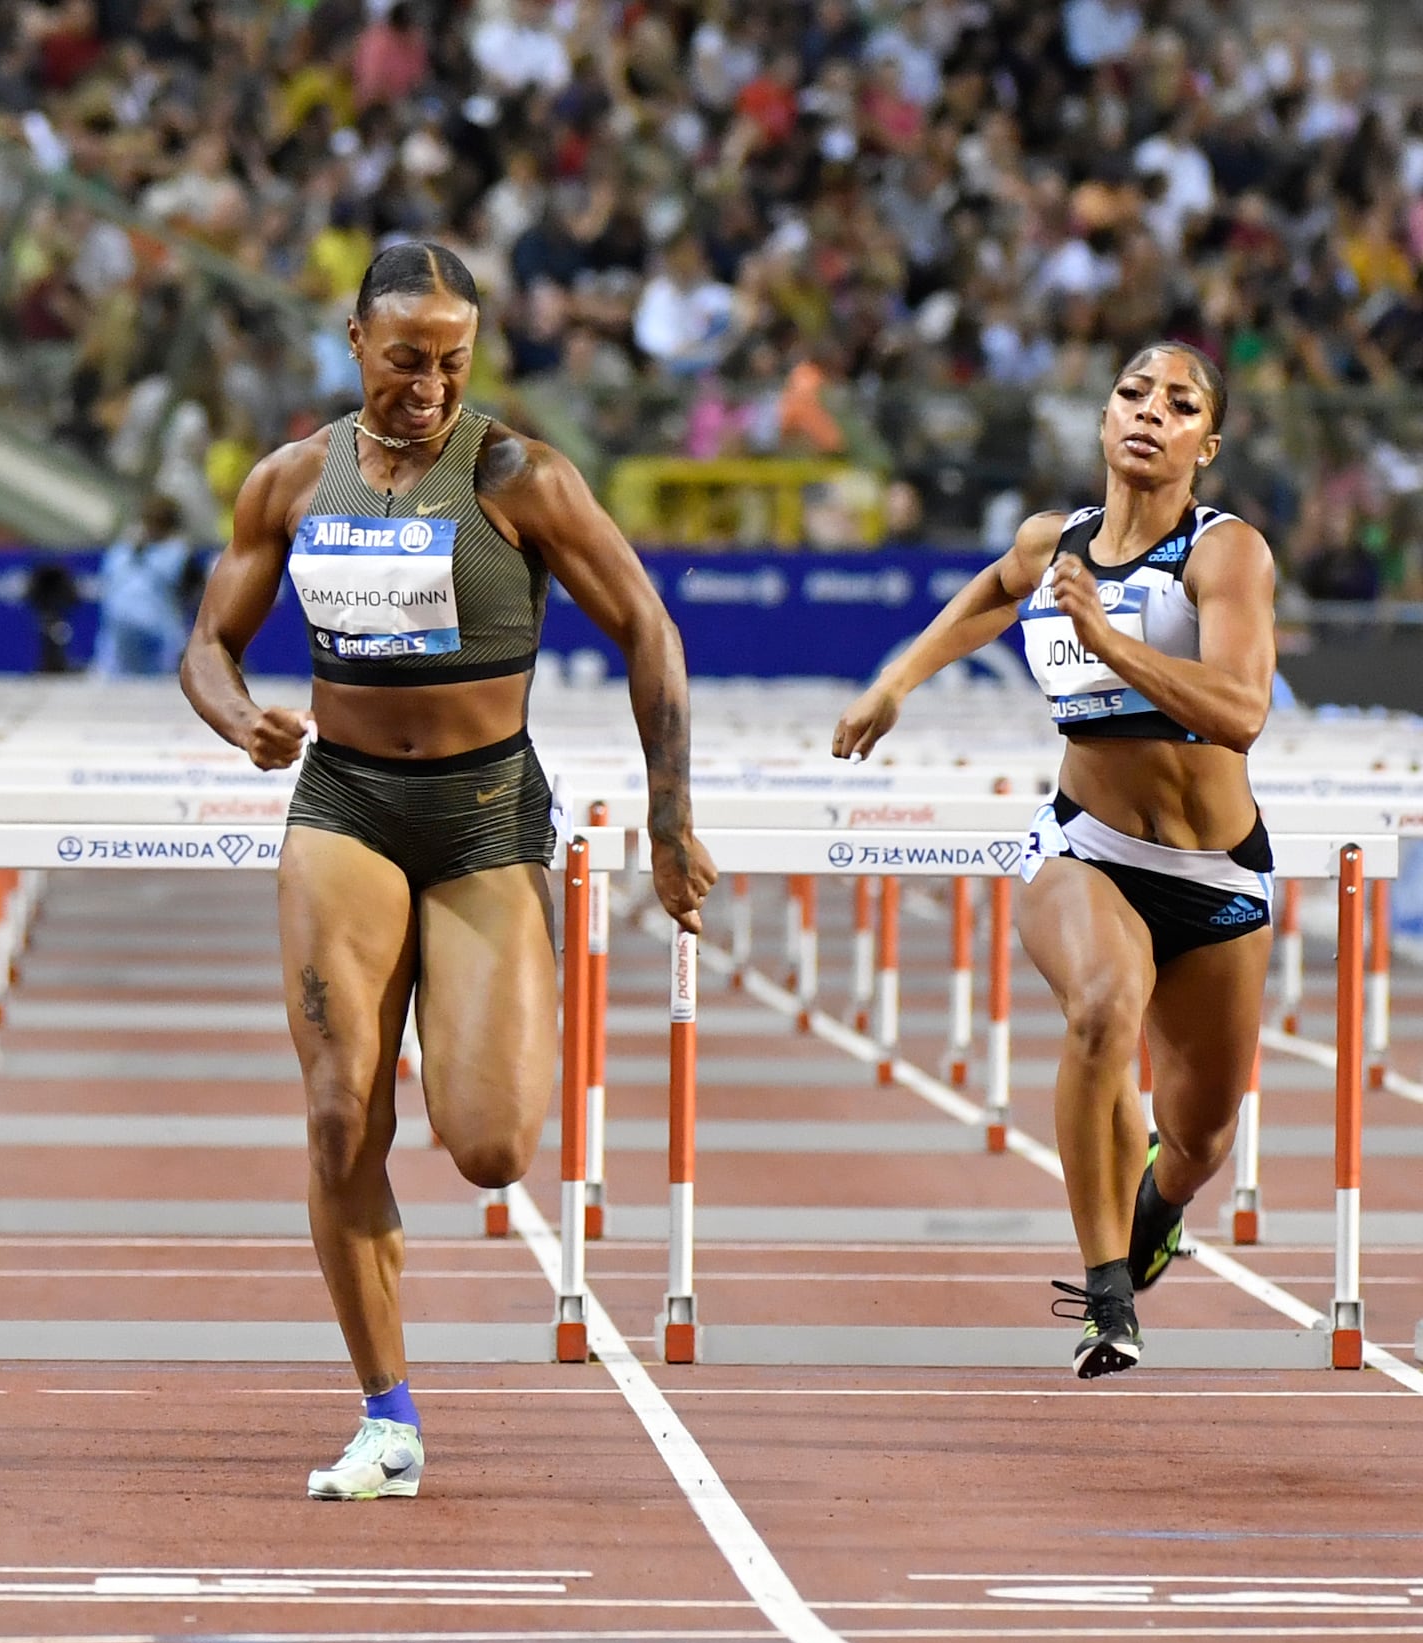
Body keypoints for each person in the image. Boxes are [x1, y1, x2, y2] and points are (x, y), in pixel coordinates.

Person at [180, 242, 712, 1498]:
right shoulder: (292, 480)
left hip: (481, 814)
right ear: (355, 343)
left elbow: (647, 625)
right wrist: (235, 714)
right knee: (333, 1112)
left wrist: (669, 813)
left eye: (452, 361)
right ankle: (387, 1413)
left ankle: (463, 1015)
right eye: (406, 358)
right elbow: (208, 641)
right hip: (345, 804)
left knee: (487, 1145)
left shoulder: (519, 476)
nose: (427, 384)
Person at [834, 342, 1273, 1378]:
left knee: (1201, 1131)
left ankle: (1159, 1199)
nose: (1147, 413)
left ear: (1205, 443)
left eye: (1178, 404)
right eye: (1131, 393)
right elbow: (992, 588)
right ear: (1102, 417)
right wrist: (901, 679)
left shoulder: (1223, 555)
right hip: (1086, 847)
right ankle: (1106, 1291)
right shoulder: (1052, 543)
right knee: (1100, 1009)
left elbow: (1240, 712)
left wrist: (1107, 635)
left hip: (1215, 873)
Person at [94, 495, 194, 678]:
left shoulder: (178, 554)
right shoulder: (120, 552)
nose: (151, 526)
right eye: (149, 520)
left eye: (158, 521)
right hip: (118, 647)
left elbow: (191, 597)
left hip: (160, 644)